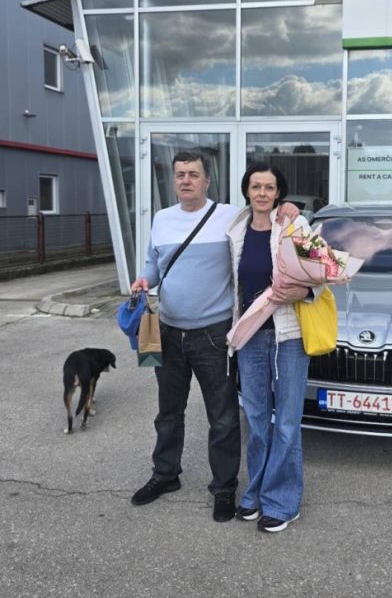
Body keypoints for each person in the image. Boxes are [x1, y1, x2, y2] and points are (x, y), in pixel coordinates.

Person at [130, 150, 297, 522]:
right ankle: (165, 474)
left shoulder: (229, 217)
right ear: (173, 180)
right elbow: (154, 265)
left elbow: (266, 213)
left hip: (214, 334)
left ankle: (223, 488)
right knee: (168, 412)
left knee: (222, 418)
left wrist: (288, 207)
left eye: (193, 174)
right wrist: (144, 279)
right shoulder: (161, 219)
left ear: (207, 181)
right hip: (165, 331)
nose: (186, 180)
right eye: (180, 174)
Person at [227, 164, 316, 533]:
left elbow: (321, 275)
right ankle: (255, 492)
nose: (262, 193)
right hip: (250, 337)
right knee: (257, 422)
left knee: (287, 423)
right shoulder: (235, 229)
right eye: (255, 186)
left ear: (279, 192)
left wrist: (305, 290)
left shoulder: (295, 224)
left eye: (269, 187)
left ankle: (282, 501)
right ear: (247, 191)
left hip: (288, 337)